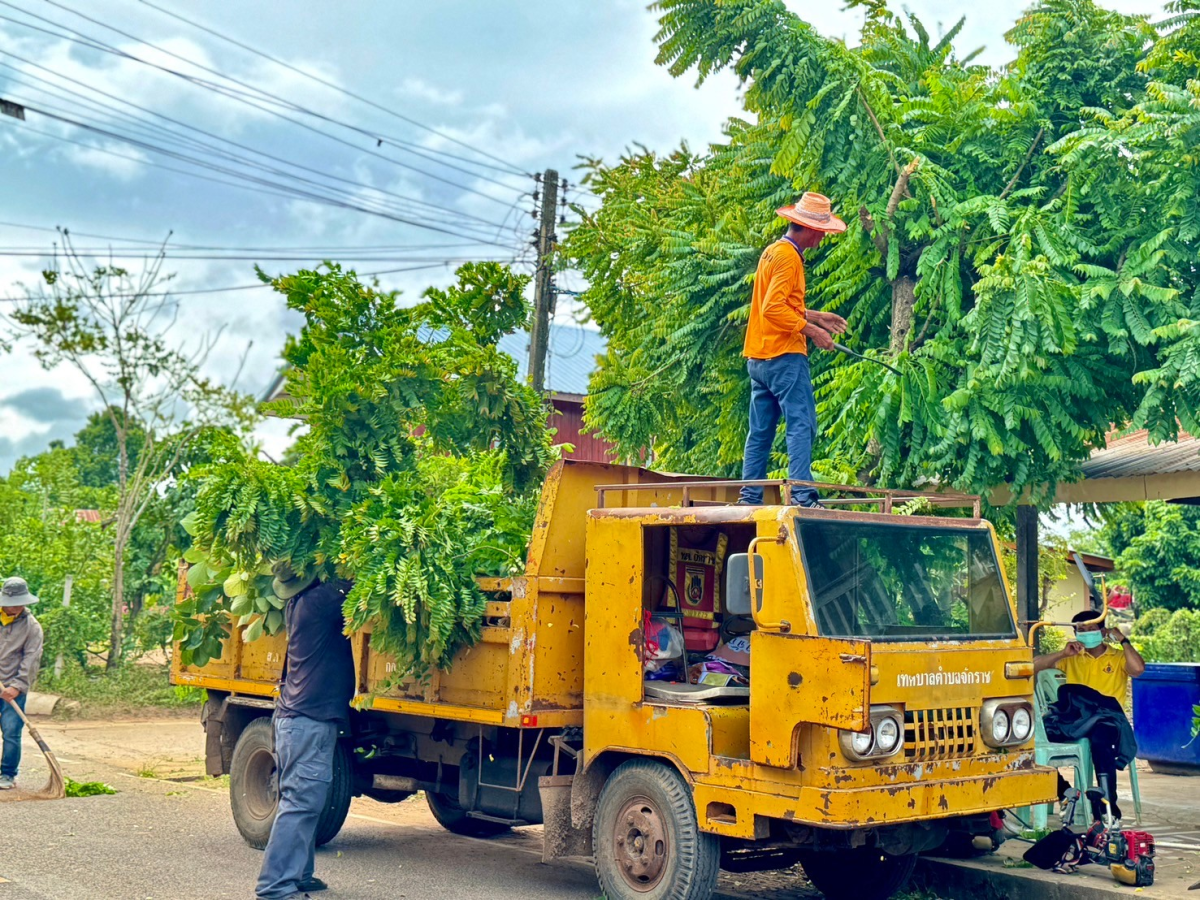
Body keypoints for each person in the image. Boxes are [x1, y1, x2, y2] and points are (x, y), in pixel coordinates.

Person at [739, 191, 849, 507]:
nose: (823, 237)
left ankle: (749, 497)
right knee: (801, 424)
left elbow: (776, 303)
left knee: (760, 432)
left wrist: (816, 316)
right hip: (783, 356)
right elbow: (773, 308)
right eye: (822, 231)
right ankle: (802, 494)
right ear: (809, 228)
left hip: (759, 358)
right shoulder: (789, 258)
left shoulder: (773, 251)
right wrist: (814, 332)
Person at [255, 563, 355, 900]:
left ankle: (299, 874)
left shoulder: (297, 603)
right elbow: (357, 579)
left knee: (300, 800)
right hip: (307, 720)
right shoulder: (321, 600)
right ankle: (276, 887)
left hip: (294, 719)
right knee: (302, 802)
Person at [1034, 610, 1146, 822]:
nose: (1085, 633)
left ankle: (1106, 805)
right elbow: (1032, 666)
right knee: (1031, 741)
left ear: (1102, 631)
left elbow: (1138, 669)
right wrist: (1062, 654)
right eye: (1080, 630)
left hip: (1108, 719)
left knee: (1100, 741)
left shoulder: (1118, 656)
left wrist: (1124, 641)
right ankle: (1065, 793)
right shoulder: (1071, 657)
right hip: (1075, 720)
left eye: (1091, 629)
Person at [0, 576, 45, 791]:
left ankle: (7, 773)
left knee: (11, 732)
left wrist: (17, 686)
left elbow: (31, 659)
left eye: (19, 603)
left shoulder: (32, 627)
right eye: (11, 603)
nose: (15, 608)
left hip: (12, 688)